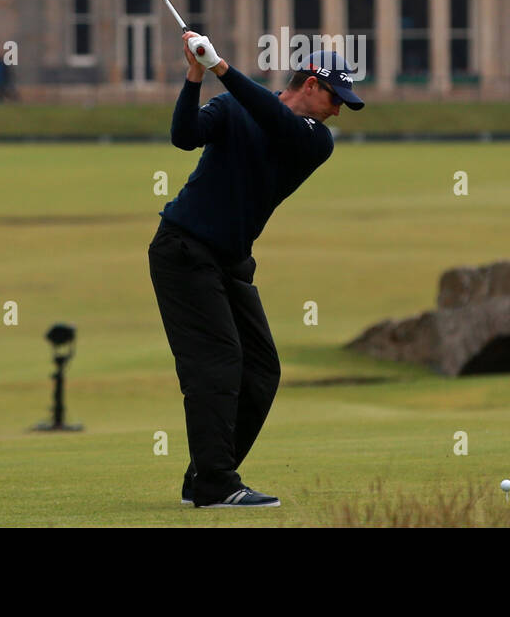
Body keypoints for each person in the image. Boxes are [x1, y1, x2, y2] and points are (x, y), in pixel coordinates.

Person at [149, 30, 363, 508]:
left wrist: (222, 69)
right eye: (336, 97)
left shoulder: (315, 140)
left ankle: (205, 474)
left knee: (262, 369)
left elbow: (273, 120)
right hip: (183, 250)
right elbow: (183, 137)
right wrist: (195, 76)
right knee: (219, 362)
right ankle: (217, 484)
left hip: (228, 261)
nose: (338, 109)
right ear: (310, 84)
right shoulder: (233, 107)